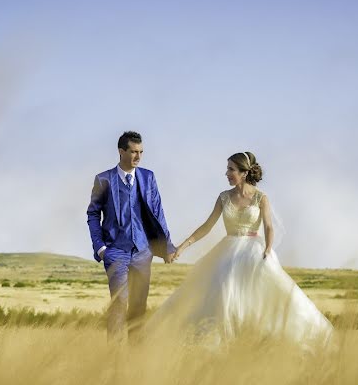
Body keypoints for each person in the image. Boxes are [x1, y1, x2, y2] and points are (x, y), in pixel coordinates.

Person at [147, 152, 334, 352]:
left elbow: (269, 226)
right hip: (228, 249)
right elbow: (207, 226)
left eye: (231, 169)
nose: (226, 173)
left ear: (244, 173)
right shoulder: (223, 197)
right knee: (222, 290)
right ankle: (217, 342)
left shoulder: (261, 198)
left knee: (267, 296)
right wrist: (182, 246)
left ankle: (260, 340)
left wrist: (268, 248)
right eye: (228, 169)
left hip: (254, 250)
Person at [86, 131, 177, 345]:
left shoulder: (148, 177)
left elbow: (158, 213)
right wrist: (100, 247)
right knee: (119, 304)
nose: (138, 156)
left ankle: (135, 360)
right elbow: (92, 214)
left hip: (143, 252)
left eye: (141, 152)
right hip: (115, 250)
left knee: (138, 306)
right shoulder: (103, 179)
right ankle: (115, 357)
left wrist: (167, 246)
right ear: (121, 152)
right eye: (134, 152)